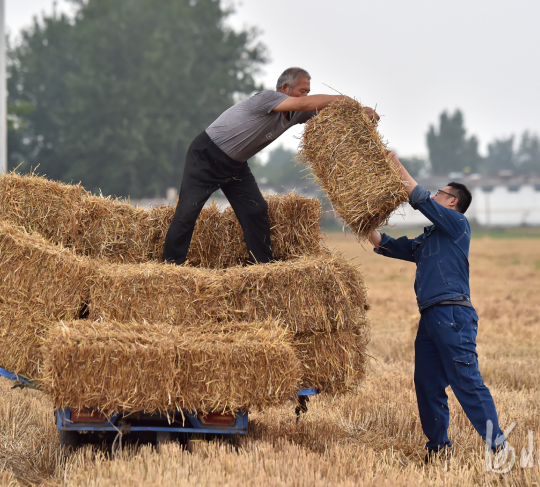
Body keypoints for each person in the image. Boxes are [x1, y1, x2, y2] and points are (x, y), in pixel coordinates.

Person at [163, 67, 378, 265]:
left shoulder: (295, 113)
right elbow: (307, 104)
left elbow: (328, 113)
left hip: (235, 165)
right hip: (206, 155)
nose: (306, 96)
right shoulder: (267, 98)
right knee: (187, 213)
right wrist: (347, 99)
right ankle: (170, 267)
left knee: (256, 209)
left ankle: (262, 266)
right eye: (303, 90)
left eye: (308, 92)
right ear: (285, 88)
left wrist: (361, 113)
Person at [368, 155, 505, 461]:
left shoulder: (458, 225)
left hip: (453, 314)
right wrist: (360, 222)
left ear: (452, 201)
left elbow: (418, 198)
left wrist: (393, 163)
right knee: (427, 384)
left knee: (467, 383)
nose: (434, 195)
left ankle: (499, 447)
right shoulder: (429, 238)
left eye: (440, 193)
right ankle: (439, 449)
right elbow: (386, 244)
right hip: (430, 317)